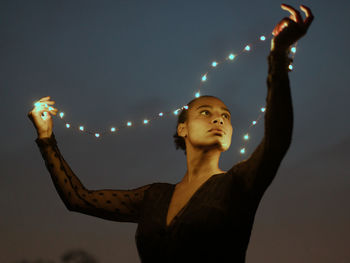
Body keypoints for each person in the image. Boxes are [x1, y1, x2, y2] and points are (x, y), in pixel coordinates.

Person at [28, 4, 313, 263]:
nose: (219, 119)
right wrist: (45, 137)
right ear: (182, 129)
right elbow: (78, 199)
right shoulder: (154, 196)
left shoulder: (239, 183)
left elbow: (277, 141)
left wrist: (278, 55)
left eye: (226, 116)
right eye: (205, 112)